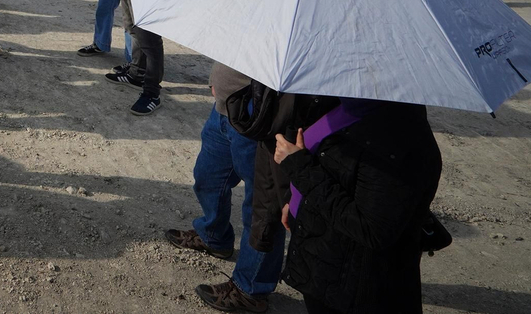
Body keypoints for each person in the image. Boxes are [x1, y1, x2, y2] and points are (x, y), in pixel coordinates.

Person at [273, 100, 442, 314]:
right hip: (325, 258)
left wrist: (299, 168)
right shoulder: (353, 103)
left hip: (351, 284)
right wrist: (294, 198)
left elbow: (371, 228)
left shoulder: (398, 137)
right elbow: (329, 163)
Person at [164, 62, 286, 313]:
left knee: (261, 207)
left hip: (262, 111)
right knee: (207, 177)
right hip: (224, 107)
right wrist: (216, 80)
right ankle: (214, 236)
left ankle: (252, 289)